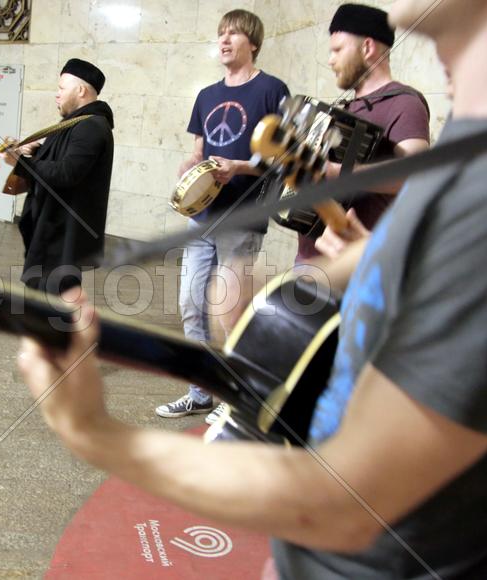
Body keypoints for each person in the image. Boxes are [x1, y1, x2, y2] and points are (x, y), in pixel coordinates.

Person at [17, 0, 487, 578]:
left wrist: (95, 434)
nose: (330, 51)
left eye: (339, 44)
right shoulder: (486, 139)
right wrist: (371, 252)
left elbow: (345, 504)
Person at [154, 9, 289, 422]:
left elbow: (284, 158)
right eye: (221, 34)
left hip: (243, 217)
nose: (225, 40)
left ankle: (238, 397)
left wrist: (240, 167)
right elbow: (199, 149)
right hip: (203, 216)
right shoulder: (207, 96)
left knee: (232, 310)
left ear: (253, 42)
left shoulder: (272, 90)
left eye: (234, 33)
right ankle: (201, 391)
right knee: (193, 303)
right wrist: (190, 165)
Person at [294, 3, 431, 263]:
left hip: (355, 267)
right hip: (311, 257)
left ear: (367, 48)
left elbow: (416, 175)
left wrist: (336, 172)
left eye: (337, 50)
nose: (330, 60)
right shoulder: (342, 109)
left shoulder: (404, 103)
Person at [0, 59, 114, 295]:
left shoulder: (91, 127)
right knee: (52, 297)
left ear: (80, 90)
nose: (57, 94)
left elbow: (67, 173)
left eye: (62, 88)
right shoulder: (78, 123)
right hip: (56, 228)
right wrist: (35, 151)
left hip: (65, 233)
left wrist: (23, 163)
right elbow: (64, 159)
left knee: (57, 298)